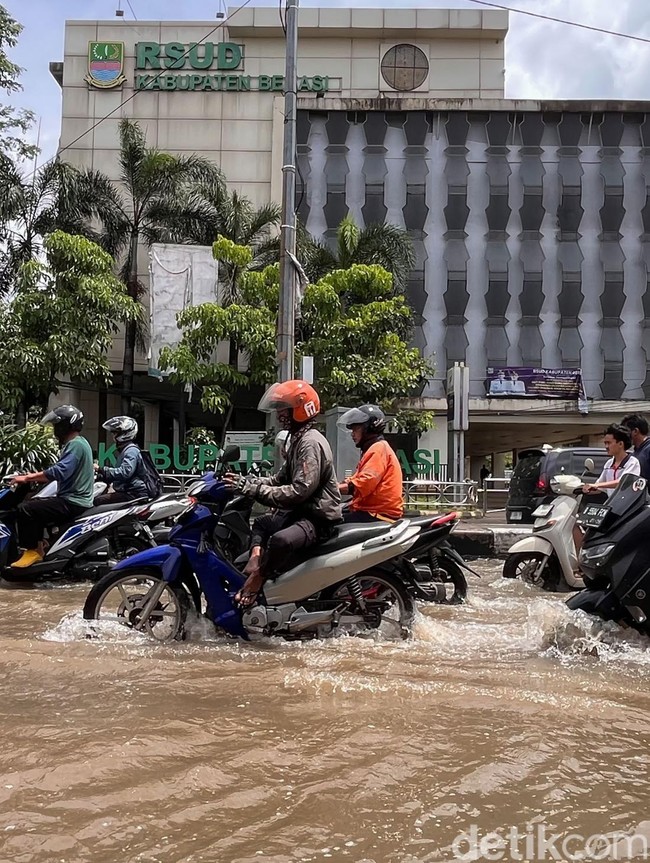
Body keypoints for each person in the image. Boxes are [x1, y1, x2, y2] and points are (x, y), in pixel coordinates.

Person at [223, 380, 342, 608]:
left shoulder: (310, 443)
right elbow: (278, 479)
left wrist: (253, 489)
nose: (279, 416)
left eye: (283, 410)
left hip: (316, 519)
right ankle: (256, 561)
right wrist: (246, 482)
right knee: (261, 523)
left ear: (300, 409)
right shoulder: (298, 439)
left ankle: (258, 578)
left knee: (280, 540)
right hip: (301, 514)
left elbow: (300, 491)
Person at [11, 405, 94, 568]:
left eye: (57, 425)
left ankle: (32, 551)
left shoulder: (75, 444)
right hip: (74, 500)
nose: (55, 430)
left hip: (73, 502)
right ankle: (42, 547)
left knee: (26, 509)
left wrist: (27, 477)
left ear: (65, 426)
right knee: (37, 504)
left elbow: (60, 471)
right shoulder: (80, 443)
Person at [573, 423, 641, 558]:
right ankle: (582, 561)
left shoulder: (632, 463)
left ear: (620, 444)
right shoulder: (608, 464)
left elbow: (624, 482)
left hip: (625, 512)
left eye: (609, 443)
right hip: (609, 510)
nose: (606, 446)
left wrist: (598, 485)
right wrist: (586, 488)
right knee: (577, 525)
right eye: (605, 443)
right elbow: (600, 486)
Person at [336, 404, 403, 522]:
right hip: (371, 510)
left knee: (329, 525)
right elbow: (357, 478)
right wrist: (339, 484)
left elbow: (364, 483)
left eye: (356, 429)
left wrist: (333, 488)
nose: (352, 434)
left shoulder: (378, 448)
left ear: (370, 428)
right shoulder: (373, 449)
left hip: (378, 514)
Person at [94, 416, 149, 506]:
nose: (113, 436)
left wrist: (101, 469)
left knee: (98, 501)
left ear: (124, 434)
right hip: (128, 491)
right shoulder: (126, 450)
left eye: (115, 433)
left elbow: (124, 473)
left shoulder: (131, 451)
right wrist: (101, 476)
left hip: (134, 494)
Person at [621, 413, 650, 481]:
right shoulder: (635, 452)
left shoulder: (648, 449)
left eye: (626, 432)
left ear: (635, 431)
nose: (624, 436)